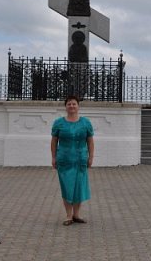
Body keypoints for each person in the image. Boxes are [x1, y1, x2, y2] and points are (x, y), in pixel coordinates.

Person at [51, 95, 94, 225]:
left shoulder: (86, 123)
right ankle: (68, 215)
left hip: (80, 159)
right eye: (69, 104)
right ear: (66, 107)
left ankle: (76, 214)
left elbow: (90, 141)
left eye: (74, 104)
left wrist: (90, 157)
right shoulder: (59, 123)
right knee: (67, 186)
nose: (71, 106)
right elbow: (54, 141)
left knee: (79, 186)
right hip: (64, 159)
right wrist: (53, 157)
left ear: (78, 106)